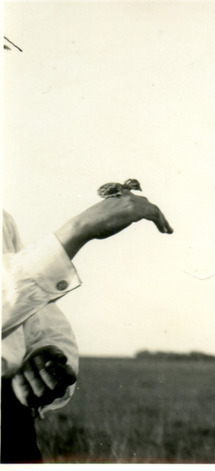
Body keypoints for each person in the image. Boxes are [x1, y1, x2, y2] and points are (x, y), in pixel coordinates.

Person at [2, 191, 173, 463]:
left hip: (12, 416)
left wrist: (46, 357)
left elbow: (39, 320)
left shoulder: (3, 220)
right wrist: (76, 230)